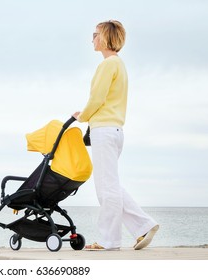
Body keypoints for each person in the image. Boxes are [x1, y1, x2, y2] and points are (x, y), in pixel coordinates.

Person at [73, 20, 159, 250]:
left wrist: (82, 117)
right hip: (115, 130)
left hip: (104, 129)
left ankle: (109, 240)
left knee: (106, 188)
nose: (92, 38)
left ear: (105, 38)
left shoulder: (107, 65)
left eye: (95, 34)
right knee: (111, 185)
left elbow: (97, 98)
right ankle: (143, 226)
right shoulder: (119, 65)